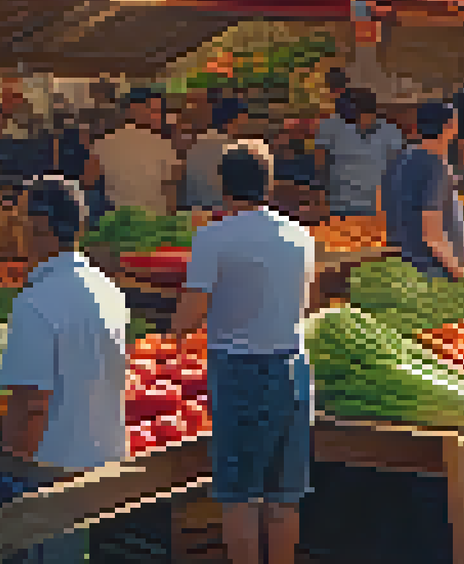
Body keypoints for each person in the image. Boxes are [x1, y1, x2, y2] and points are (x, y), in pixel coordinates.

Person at [174, 149, 316, 564]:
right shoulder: (299, 236)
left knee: (239, 497)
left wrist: (177, 331)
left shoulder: (214, 236)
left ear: (222, 184)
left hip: (240, 371)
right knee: (284, 498)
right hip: (293, 367)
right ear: (269, 184)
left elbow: (191, 311)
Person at [0, 178, 129, 564]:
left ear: (38, 227)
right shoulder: (107, 289)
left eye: (20, 219)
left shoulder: (35, 304)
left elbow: (32, 405)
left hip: (54, 472)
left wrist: (11, 475)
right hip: (107, 463)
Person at [384, 102, 464, 281]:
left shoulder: (402, 159)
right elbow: (432, 235)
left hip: (410, 266)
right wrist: (460, 274)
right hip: (436, 273)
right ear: (449, 127)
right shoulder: (437, 166)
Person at [87, 88, 181, 216]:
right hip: (155, 219)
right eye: (155, 111)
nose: (160, 117)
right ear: (135, 110)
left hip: (117, 220)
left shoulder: (102, 142)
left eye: (160, 112)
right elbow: (172, 189)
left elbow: (88, 181)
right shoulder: (164, 144)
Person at [315, 87, 404, 218]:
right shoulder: (330, 126)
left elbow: (396, 168)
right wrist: (321, 197)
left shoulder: (390, 131)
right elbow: (320, 165)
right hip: (339, 204)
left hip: (377, 206)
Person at [184, 98, 273, 211]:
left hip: (197, 211)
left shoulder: (199, 142)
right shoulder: (237, 149)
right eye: (244, 119)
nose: (247, 124)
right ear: (234, 120)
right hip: (225, 212)